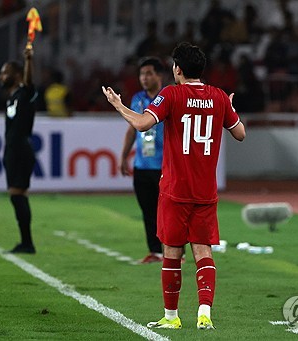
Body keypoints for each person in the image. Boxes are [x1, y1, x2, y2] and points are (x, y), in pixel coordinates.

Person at [103, 42, 245, 330]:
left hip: (175, 189)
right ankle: (204, 312)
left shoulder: (172, 94)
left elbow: (143, 124)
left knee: (172, 252)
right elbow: (240, 134)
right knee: (203, 251)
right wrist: (229, 108)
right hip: (205, 190)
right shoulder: (218, 97)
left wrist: (119, 105)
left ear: (177, 69)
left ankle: (172, 317)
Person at [119, 57, 165, 264]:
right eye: (142, 74)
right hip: (142, 164)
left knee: (170, 211)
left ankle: (177, 253)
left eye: (149, 73)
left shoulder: (170, 97)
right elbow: (131, 129)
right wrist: (123, 155)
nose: (144, 78)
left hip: (165, 165)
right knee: (147, 211)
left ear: (159, 75)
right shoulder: (137, 98)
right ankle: (155, 252)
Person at [0, 47, 37, 254]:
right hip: (12, 150)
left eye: (4, 72)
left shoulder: (25, 93)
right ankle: (25, 241)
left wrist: (28, 61)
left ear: (15, 75)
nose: (0, 76)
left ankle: (27, 243)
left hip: (21, 150)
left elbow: (29, 83)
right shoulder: (11, 97)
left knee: (17, 194)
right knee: (16, 195)